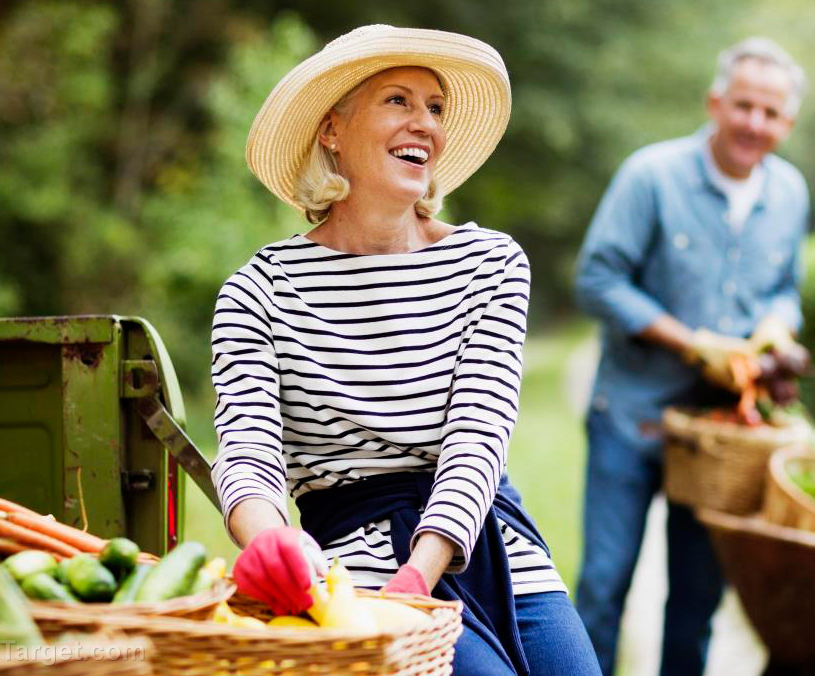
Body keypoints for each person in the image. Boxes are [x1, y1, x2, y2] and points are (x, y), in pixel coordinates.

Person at [209, 25, 599, 675]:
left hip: (488, 545)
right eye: (398, 100)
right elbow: (247, 452)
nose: (426, 124)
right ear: (332, 130)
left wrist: (421, 572)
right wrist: (271, 542)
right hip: (351, 574)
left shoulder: (491, 264)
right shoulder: (259, 290)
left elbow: (478, 436)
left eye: (436, 107)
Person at [573, 37, 811, 676]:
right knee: (603, 588)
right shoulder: (650, 176)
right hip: (631, 418)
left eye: (771, 113)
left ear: (788, 123)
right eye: (744, 106)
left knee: (697, 601)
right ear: (715, 103)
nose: (754, 123)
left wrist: (777, 327)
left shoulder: (791, 193)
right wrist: (690, 342)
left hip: (719, 438)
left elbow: (785, 290)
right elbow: (596, 279)